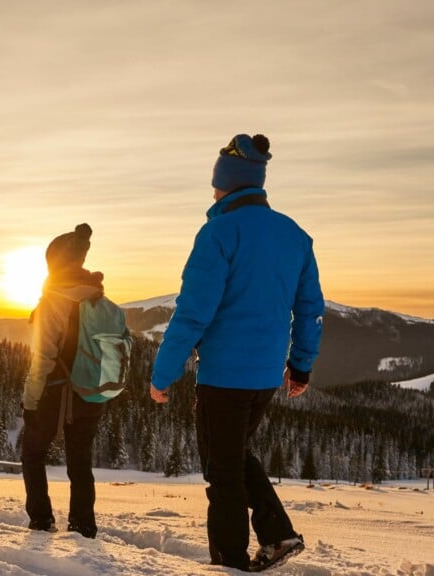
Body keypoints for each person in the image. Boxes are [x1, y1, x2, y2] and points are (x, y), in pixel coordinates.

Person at [149, 134, 324, 572]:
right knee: (234, 457)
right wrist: (299, 365)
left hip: (224, 377)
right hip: (265, 376)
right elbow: (310, 310)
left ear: (227, 182)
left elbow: (192, 314)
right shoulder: (295, 235)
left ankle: (229, 562)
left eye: (215, 183)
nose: (212, 192)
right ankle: (277, 534)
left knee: (222, 471)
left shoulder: (218, 233)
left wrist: (162, 374)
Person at [21, 223, 107, 538]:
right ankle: (83, 525)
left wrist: (30, 402)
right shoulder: (98, 297)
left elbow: (42, 358)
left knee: (32, 453)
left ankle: (42, 522)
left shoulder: (53, 300)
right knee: (80, 461)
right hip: (92, 392)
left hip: (57, 393)